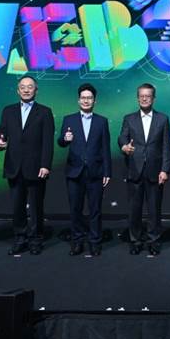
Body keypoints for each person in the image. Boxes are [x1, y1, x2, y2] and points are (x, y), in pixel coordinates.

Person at [0, 75, 54, 255]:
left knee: (36, 206)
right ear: (18, 90)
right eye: (23, 87)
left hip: (36, 167)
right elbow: (1, 132)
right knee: (17, 206)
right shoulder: (8, 111)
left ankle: (35, 239)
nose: (26, 90)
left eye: (30, 87)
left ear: (36, 90)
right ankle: (20, 238)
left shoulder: (44, 112)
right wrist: (0, 141)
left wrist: (45, 165)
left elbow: (48, 142)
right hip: (14, 166)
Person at [58, 84, 111, 257]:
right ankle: (77, 242)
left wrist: (107, 172)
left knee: (95, 210)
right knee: (75, 210)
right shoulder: (69, 119)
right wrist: (65, 139)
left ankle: (95, 242)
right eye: (83, 97)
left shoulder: (101, 121)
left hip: (96, 172)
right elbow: (61, 141)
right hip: (74, 172)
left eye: (89, 98)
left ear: (95, 101)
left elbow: (105, 148)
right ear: (78, 100)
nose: (86, 100)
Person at [117, 83, 170, 256]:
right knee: (134, 209)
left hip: (155, 171)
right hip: (134, 169)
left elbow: (166, 147)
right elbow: (122, 137)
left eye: (148, 96)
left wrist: (165, 170)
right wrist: (124, 146)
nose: (145, 98)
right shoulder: (129, 118)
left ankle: (153, 240)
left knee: (154, 209)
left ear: (153, 98)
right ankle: (135, 240)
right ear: (137, 98)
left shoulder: (163, 119)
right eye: (142, 95)